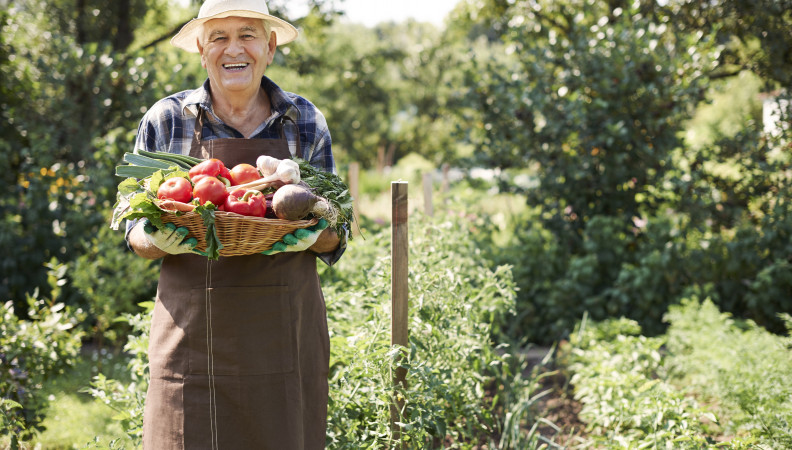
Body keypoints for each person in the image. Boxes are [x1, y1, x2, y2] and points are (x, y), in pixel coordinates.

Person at [125, 0, 345, 448]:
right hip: (192, 344)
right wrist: (157, 235)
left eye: (246, 34)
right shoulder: (167, 119)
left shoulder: (304, 120)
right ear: (202, 51)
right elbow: (131, 230)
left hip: (283, 338)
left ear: (269, 46)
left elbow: (336, 231)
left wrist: (303, 233)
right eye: (219, 37)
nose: (233, 49)